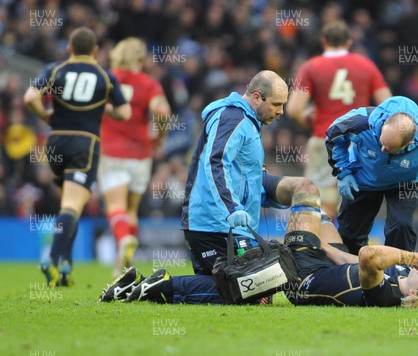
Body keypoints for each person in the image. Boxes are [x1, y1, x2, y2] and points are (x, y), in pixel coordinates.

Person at [99, 175, 418, 309]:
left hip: (303, 279)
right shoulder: (395, 277)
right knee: (319, 214)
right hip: (318, 261)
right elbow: (349, 259)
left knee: (308, 191)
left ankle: (247, 183)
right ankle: (156, 287)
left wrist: (413, 257)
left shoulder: (388, 294)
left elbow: (366, 255)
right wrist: (322, 242)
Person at [23, 27, 131, 287]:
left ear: (69, 49)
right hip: (85, 143)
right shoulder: (105, 75)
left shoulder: (55, 69)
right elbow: (124, 112)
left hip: (56, 141)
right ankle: (51, 259)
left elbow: (29, 97)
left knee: (67, 205)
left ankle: (67, 268)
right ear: (95, 51)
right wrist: (102, 107)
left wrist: (45, 116)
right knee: (73, 205)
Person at [181, 70, 288, 276]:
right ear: (256, 97)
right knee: (237, 289)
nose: (281, 111)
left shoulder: (247, 122)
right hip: (214, 225)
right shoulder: (233, 118)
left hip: (229, 225)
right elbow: (216, 162)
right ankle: (158, 286)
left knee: (256, 291)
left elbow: (244, 178)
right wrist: (232, 208)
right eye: (276, 104)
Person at [286, 20, 391, 220]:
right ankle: (351, 245)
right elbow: (387, 105)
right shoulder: (366, 65)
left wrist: (306, 118)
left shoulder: (310, 67)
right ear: (349, 42)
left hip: (325, 137)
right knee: (356, 195)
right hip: (361, 140)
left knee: (319, 198)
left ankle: (323, 246)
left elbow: (293, 109)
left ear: (323, 41)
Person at [326, 96, 418, 255]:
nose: (382, 149)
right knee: (350, 233)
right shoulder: (360, 121)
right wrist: (343, 171)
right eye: (381, 142)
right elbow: (333, 136)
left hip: (406, 182)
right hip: (363, 177)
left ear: (409, 143)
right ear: (384, 125)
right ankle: (353, 274)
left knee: (401, 227)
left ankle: (397, 274)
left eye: (389, 148)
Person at [98, 37, 171, 276]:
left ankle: (123, 243)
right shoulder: (148, 84)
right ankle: (123, 264)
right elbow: (162, 110)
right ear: (140, 58)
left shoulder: (107, 79)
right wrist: (159, 137)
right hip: (141, 154)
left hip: (112, 152)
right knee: (131, 209)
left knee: (116, 206)